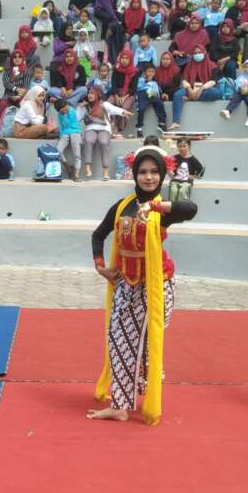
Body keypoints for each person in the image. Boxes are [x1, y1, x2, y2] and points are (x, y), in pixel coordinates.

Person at [89, 147, 197, 422]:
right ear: (134, 174)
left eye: (154, 172)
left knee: (146, 343)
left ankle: (146, 392)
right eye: (142, 172)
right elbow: (98, 234)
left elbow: (191, 209)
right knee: (117, 339)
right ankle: (120, 406)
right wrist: (101, 268)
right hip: (126, 283)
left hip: (157, 285)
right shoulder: (123, 206)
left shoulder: (164, 206)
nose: (148, 177)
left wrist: (156, 206)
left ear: (162, 175)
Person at [221, 59, 248, 128]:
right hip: (241, 92)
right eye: (244, 67)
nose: (246, 69)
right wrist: (240, 89)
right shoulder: (241, 77)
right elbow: (237, 84)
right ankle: (228, 111)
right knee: (235, 97)